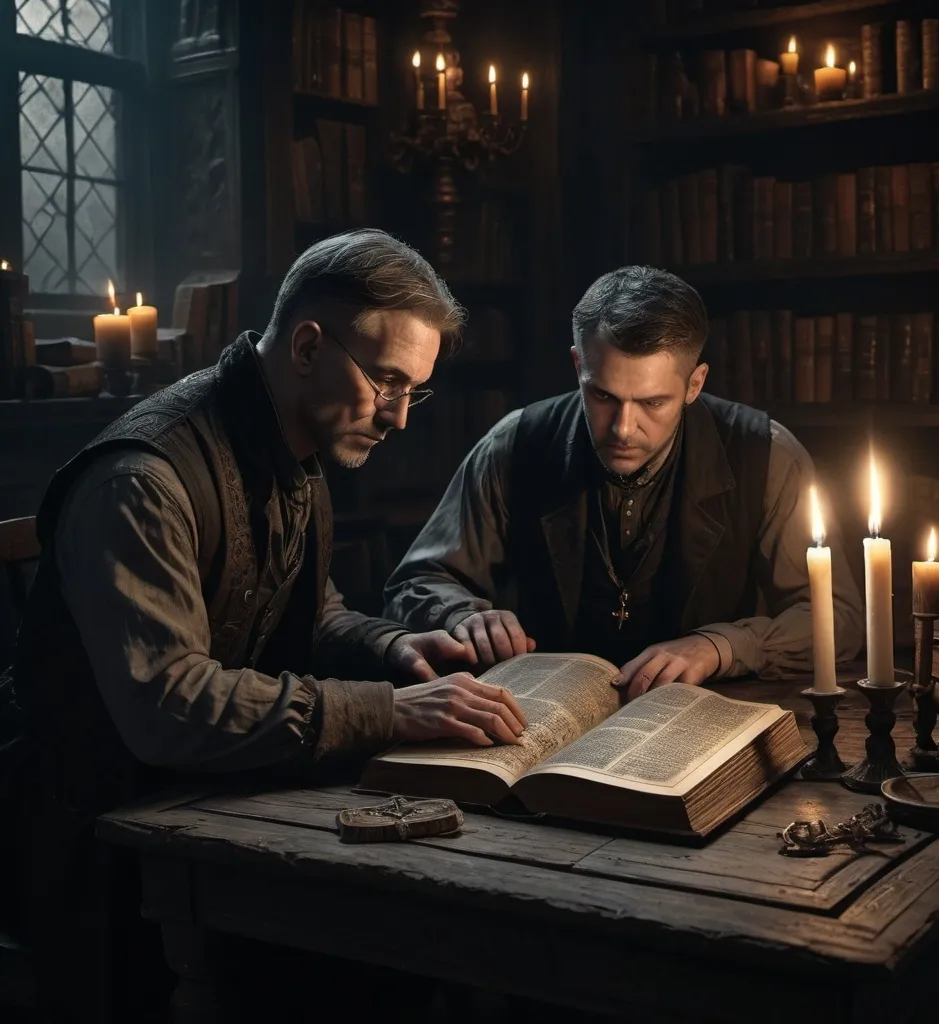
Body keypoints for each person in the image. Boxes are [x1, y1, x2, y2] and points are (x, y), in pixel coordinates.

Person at [6, 228, 525, 1019]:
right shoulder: (141, 481)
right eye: (388, 384)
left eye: (413, 392)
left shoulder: (296, 441)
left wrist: (394, 646)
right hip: (94, 842)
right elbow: (169, 708)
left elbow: (300, 608)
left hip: (204, 808)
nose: (399, 420)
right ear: (309, 344)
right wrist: (388, 710)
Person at [384, 265, 864, 698]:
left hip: (706, 716)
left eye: (653, 402)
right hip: (541, 716)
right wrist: (461, 615)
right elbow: (416, 583)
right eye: (602, 395)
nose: (623, 429)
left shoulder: (767, 454)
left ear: (694, 385)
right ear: (578, 366)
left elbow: (837, 621)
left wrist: (720, 647)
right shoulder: (515, 443)